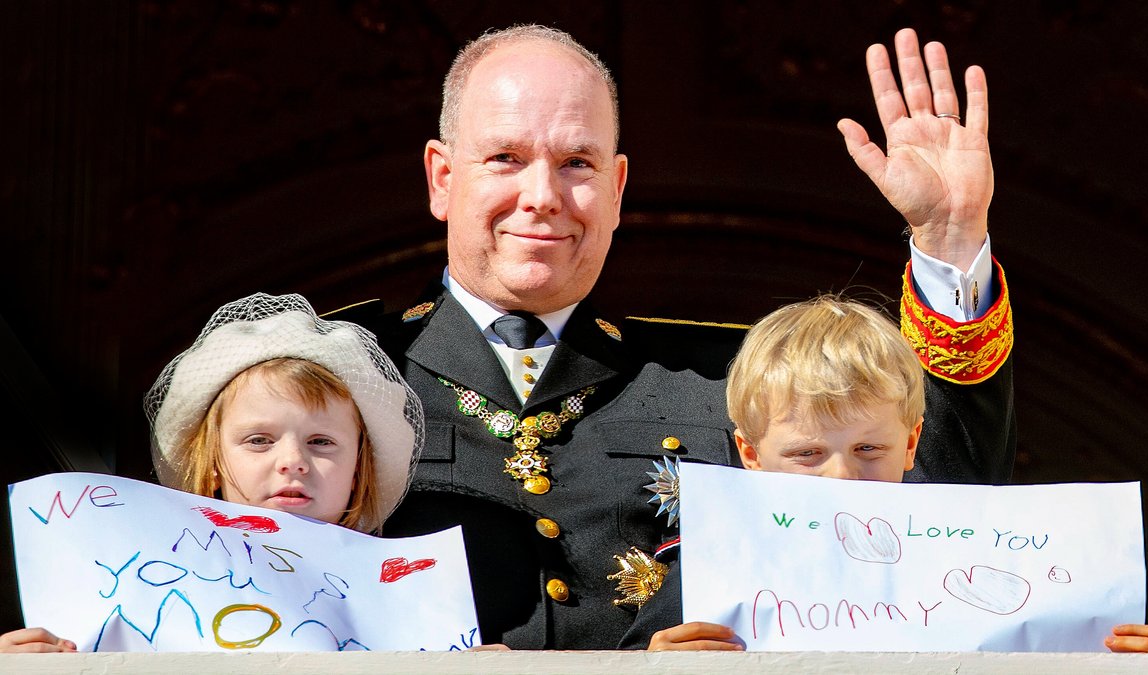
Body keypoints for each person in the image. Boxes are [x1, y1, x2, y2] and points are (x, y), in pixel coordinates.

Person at [346, 24, 1015, 649]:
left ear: (617, 188)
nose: (543, 194)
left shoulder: (729, 381)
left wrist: (949, 240)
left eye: (577, 162)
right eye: (505, 157)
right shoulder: (338, 376)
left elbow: (930, 506)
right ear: (442, 177)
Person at [643, 297, 1148, 654]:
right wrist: (644, 669)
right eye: (807, 454)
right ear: (750, 453)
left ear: (912, 442)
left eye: (869, 448)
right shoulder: (701, 581)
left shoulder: (976, 553)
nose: (842, 478)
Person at [0, 292, 423, 653]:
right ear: (214, 464)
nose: (292, 460)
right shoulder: (128, 583)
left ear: (357, 471)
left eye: (321, 442)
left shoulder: (409, 602)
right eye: (259, 440)